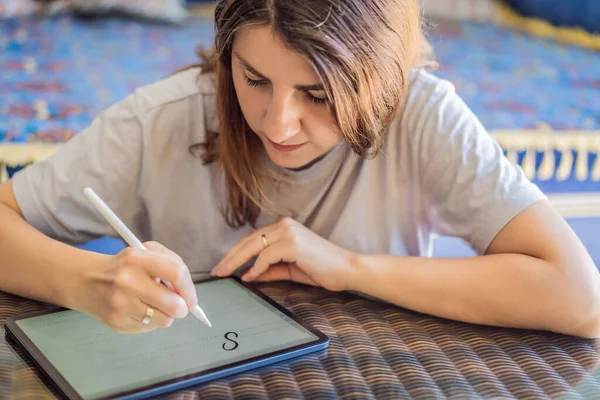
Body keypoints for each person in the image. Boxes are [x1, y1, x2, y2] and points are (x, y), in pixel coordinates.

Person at [0, 0, 598, 338]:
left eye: (318, 94)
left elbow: (580, 299)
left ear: (378, 78)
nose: (278, 125)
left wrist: (349, 267)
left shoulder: (422, 115)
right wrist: (85, 279)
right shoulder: (164, 119)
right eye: (254, 79)